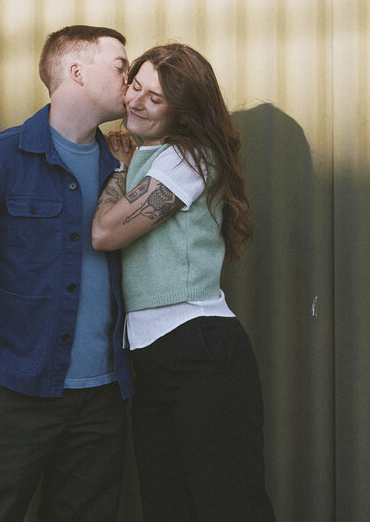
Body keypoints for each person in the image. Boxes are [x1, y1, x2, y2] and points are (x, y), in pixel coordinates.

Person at [0, 25, 133, 522]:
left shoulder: (123, 163)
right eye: (121, 66)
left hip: (104, 398)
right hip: (19, 392)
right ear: (77, 71)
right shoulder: (3, 158)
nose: (131, 79)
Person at [92, 43, 276, 522]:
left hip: (199, 352)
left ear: (184, 111)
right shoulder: (149, 156)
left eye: (155, 98)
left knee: (230, 506)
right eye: (136, 85)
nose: (136, 101)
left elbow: (106, 233)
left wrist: (117, 167)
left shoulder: (189, 158)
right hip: (152, 360)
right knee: (167, 506)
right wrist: (128, 162)